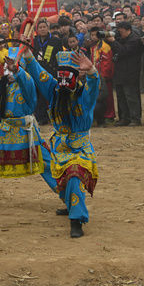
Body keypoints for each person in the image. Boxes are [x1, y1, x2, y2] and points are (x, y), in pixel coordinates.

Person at [23, 48, 99, 238]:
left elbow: (94, 84)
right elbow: (38, 73)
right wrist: (27, 55)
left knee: (74, 175)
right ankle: (69, 200)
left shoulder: (85, 95)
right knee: (43, 162)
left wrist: (91, 71)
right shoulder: (54, 89)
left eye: (68, 75)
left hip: (79, 148)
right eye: (61, 75)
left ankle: (77, 219)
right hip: (58, 145)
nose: (63, 80)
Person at [0, 47, 58, 204]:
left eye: (11, 68)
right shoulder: (1, 85)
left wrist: (17, 70)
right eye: (5, 68)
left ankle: (68, 196)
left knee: (47, 165)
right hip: (4, 134)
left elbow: (26, 80)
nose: (8, 72)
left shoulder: (27, 85)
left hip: (27, 134)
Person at [109, 21, 143, 126]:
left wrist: (114, 41)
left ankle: (135, 118)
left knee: (131, 96)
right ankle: (124, 118)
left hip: (131, 72)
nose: (119, 33)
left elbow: (123, 51)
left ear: (128, 30)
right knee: (121, 96)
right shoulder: (121, 38)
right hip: (119, 71)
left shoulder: (134, 40)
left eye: (121, 31)